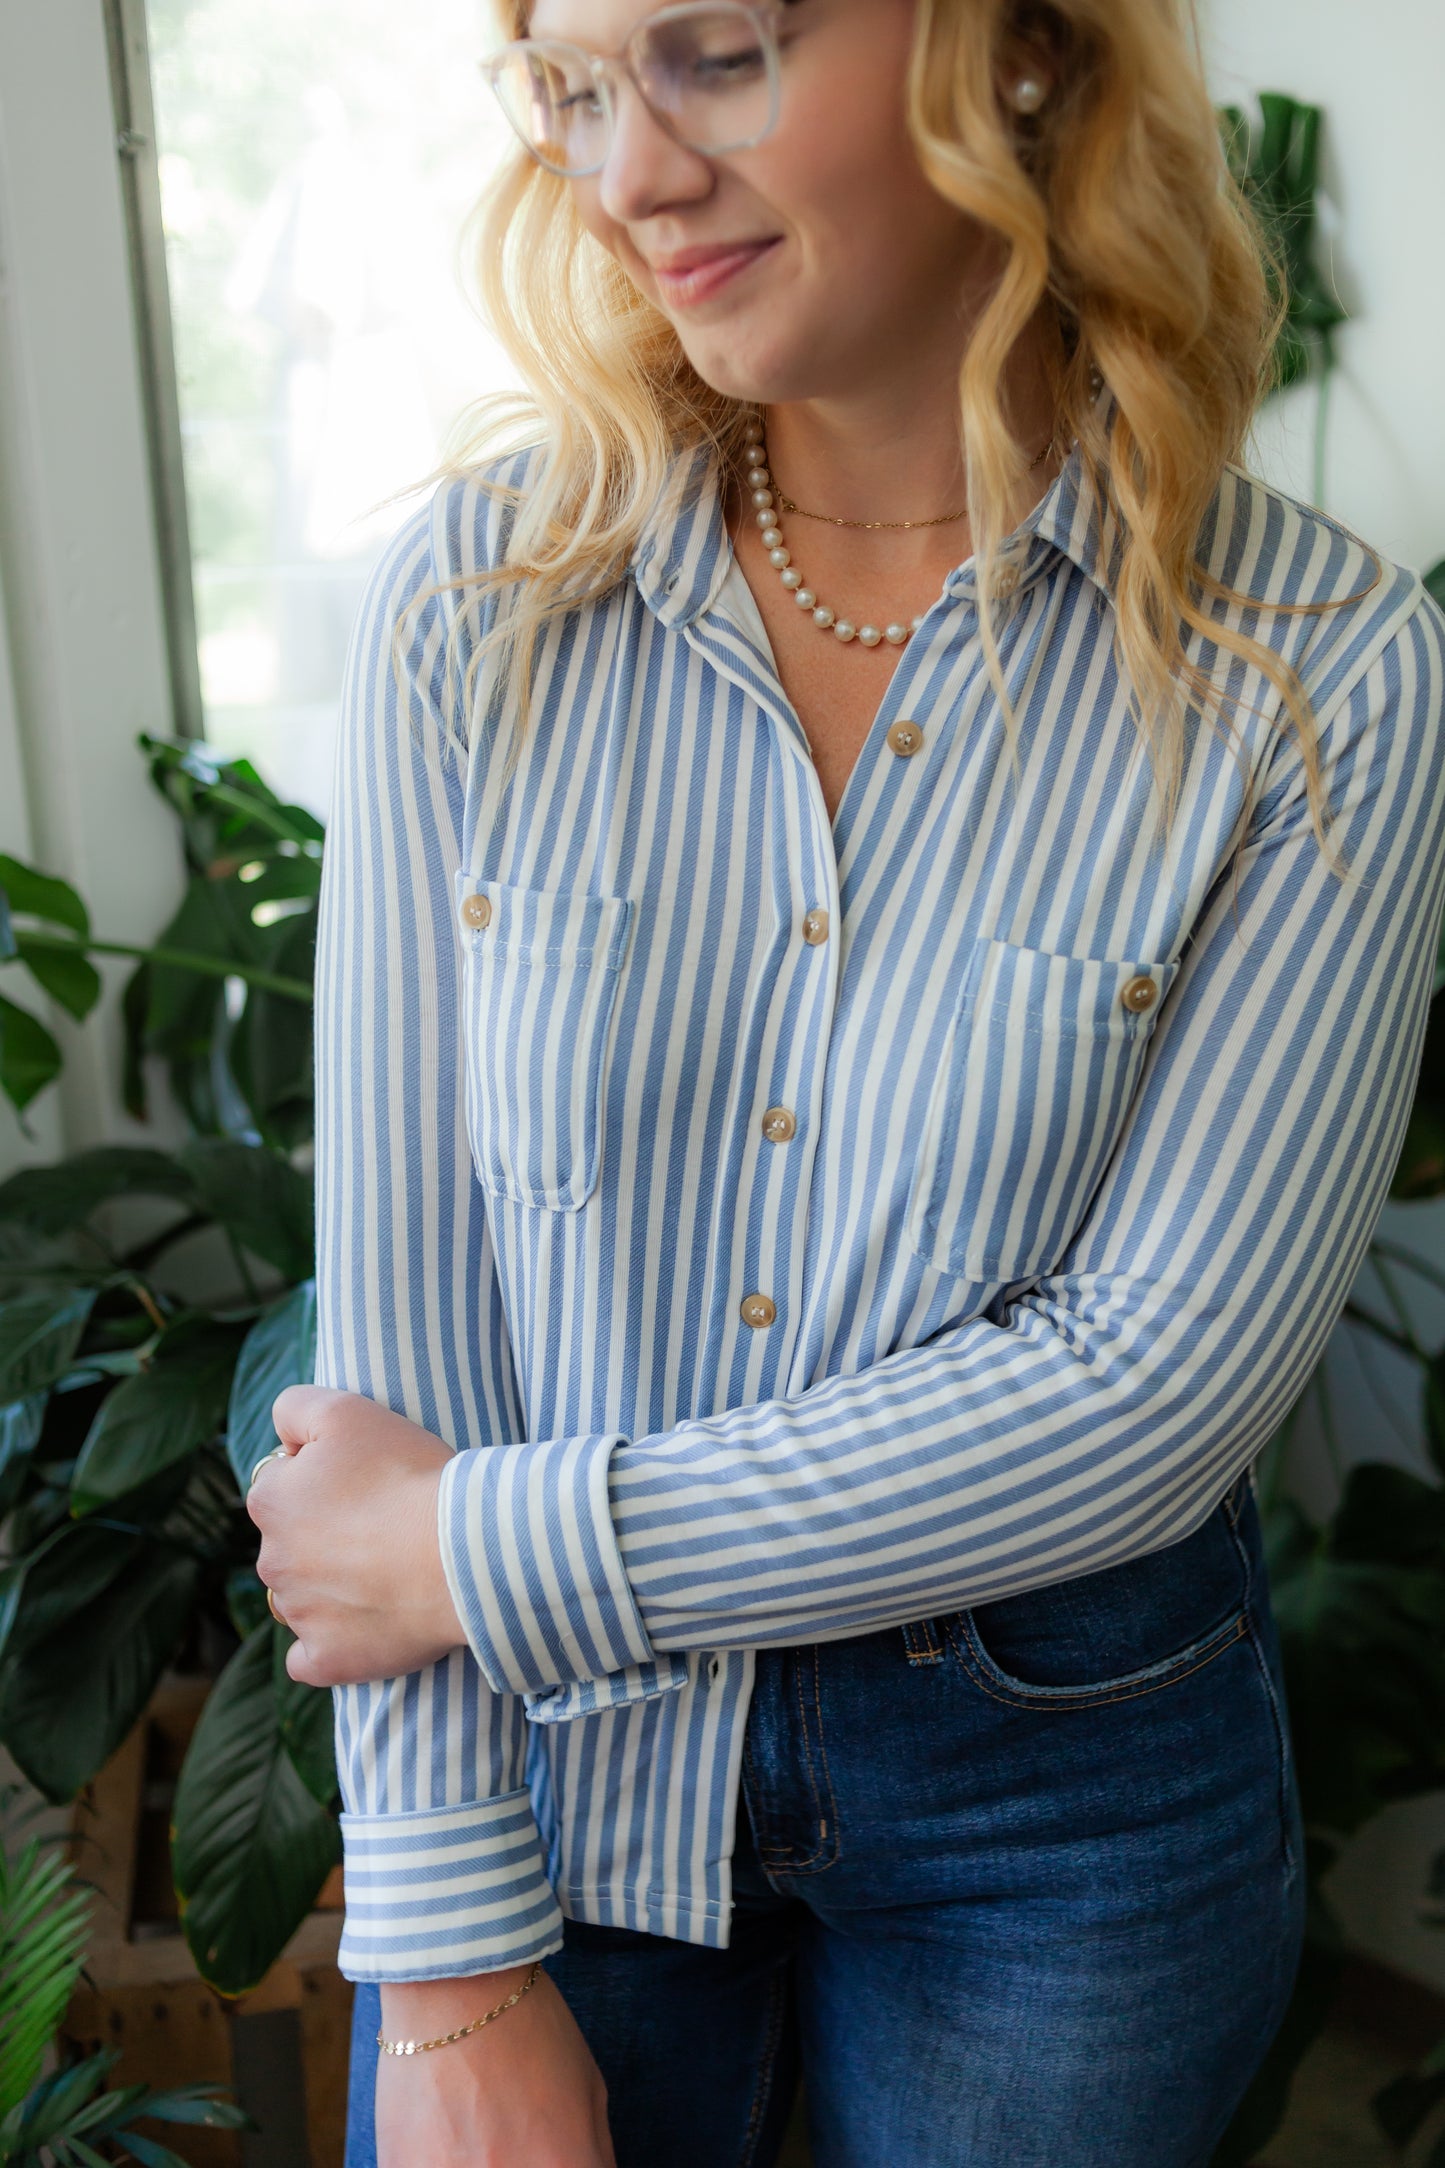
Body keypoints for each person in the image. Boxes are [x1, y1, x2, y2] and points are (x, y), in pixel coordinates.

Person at [245, 0, 1445, 2162]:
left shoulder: (1319, 665)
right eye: (576, 91)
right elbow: (403, 1340)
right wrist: (444, 1964)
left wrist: (478, 1549)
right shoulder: (477, 604)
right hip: (550, 1779)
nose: (627, 174)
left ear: (1016, 49)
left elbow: (1147, 1396)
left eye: (712, 54)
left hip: (1062, 1805)